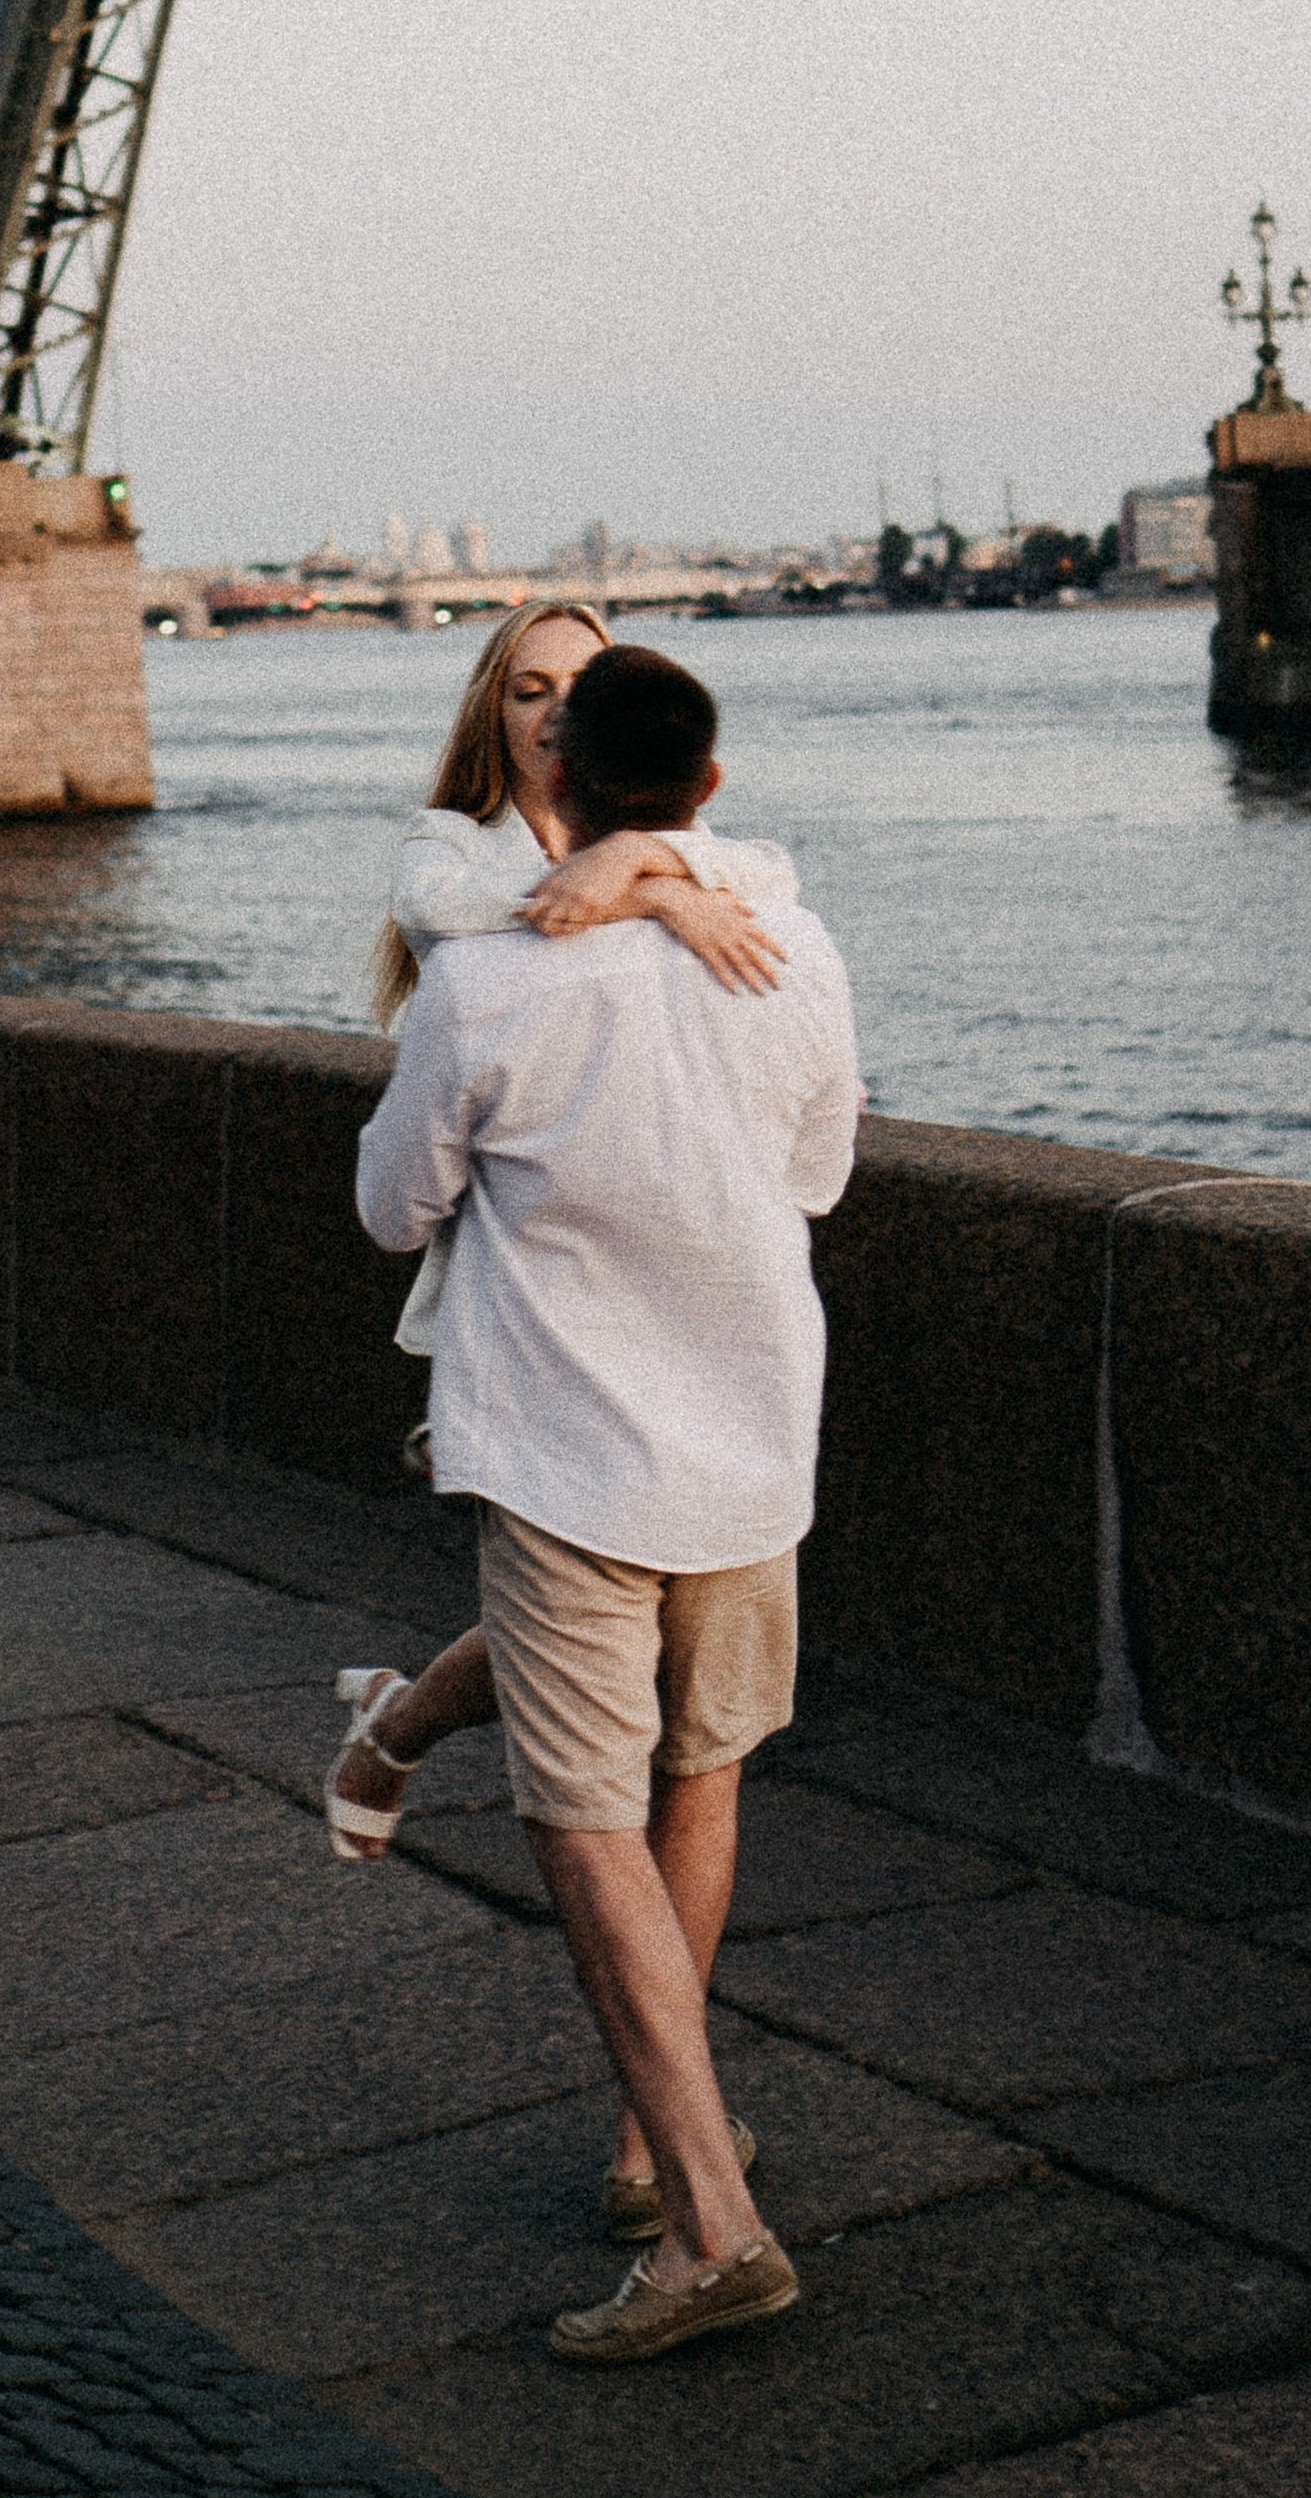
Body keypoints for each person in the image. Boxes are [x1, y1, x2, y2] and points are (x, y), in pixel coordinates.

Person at [354, 643, 862, 2369]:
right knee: (699, 1779)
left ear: (552, 781)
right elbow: (821, 1168)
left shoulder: (486, 987)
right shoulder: (793, 949)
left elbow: (390, 1205)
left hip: (568, 1450)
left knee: (583, 1819)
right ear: (708, 790)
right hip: (752, 1439)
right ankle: (666, 2145)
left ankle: (712, 2223)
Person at [325, 606, 801, 1867]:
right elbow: (481, 915)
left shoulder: (669, 852)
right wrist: (656, 881)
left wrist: (637, 869)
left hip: (669, 1304)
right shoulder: (446, 853)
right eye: (526, 687)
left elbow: (774, 876)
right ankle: (395, 1729)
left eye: (577, 685)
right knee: (583, 1623)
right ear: (495, 712)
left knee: (587, 1622)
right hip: (520, 1307)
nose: (550, 709)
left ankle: (391, 1723)